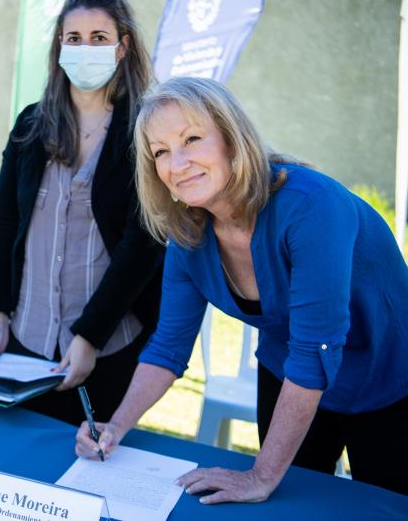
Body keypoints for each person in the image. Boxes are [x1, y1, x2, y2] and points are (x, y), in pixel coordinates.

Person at [76, 76, 408, 500]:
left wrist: (260, 475)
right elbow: (168, 348)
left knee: (384, 507)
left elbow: (315, 351)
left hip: (390, 382)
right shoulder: (188, 235)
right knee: (289, 509)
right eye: (160, 152)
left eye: (192, 138)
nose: (177, 164)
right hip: (287, 373)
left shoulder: (311, 206)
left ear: (231, 139)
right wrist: (115, 426)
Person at [0, 0, 165, 426]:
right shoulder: (30, 124)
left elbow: (143, 245)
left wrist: (89, 336)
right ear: (60, 44)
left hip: (109, 344)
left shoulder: (145, 129)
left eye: (99, 38)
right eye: (73, 38)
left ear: (122, 47)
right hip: (26, 341)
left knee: (96, 469)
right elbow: (3, 222)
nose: (85, 48)